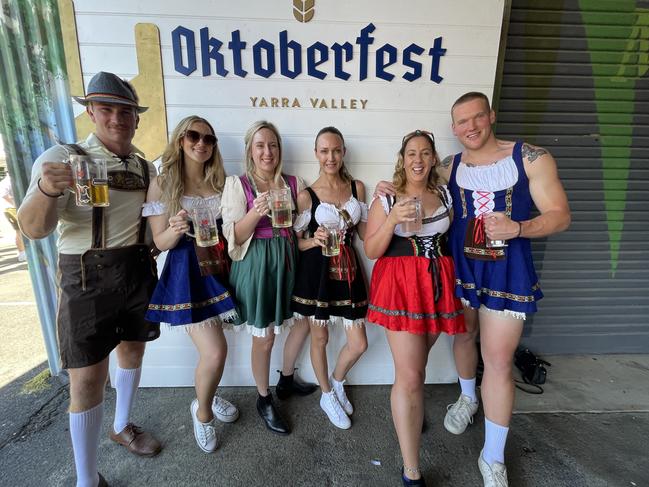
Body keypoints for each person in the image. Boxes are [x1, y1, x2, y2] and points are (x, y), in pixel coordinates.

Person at [17, 72, 162, 487]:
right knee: (86, 377)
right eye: (107, 109)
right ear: (91, 112)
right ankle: (86, 479)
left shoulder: (142, 165)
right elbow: (33, 229)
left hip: (136, 267)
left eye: (126, 111)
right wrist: (46, 188)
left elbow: (152, 226)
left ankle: (122, 425)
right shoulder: (62, 157)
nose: (117, 117)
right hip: (85, 272)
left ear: (136, 118)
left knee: (133, 351)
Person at [438, 92, 571, 486]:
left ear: (491, 116)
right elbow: (412, 186)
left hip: (507, 268)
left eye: (477, 117)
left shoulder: (531, 157)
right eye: (462, 122)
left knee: (497, 359)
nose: (471, 127)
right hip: (462, 267)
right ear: (454, 128)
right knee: (464, 337)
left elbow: (560, 215)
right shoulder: (448, 166)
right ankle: (467, 398)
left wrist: (519, 228)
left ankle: (492, 456)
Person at [364, 130, 466, 486]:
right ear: (402, 159)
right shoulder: (388, 198)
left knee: (417, 369)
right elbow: (372, 250)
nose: (418, 159)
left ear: (434, 158)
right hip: (401, 286)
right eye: (411, 153)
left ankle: (411, 410)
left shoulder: (444, 194)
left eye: (425, 153)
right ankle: (411, 470)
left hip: (437, 285)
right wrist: (392, 221)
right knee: (408, 376)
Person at [142, 116, 240, 453]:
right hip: (187, 272)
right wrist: (175, 227)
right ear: (180, 140)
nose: (201, 143)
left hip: (220, 267)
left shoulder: (222, 181)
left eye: (208, 139)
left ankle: (208, 397)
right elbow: (161, 241)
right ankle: (202, 413)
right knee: (215, 352)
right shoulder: (163, 183)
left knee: (216, 351)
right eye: (193, 136)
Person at [221, 120, 313, 435]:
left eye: (272, 145)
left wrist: (304, 209)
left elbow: (299, 228)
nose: (267, 151)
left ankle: (286, 378)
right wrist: (256, 212)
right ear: (250, 150)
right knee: (265, 337)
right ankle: (263, 397)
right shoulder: (239, 184)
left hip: (288, 260)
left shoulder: (293, 183)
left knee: (302, 321)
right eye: (260, 145)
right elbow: (234, 236)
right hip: (256, 264)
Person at [292, 126, 369, 429]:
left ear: (343, 152)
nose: (331, 156)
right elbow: (295, 243)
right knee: (320, 337)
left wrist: (385, 208)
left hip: (348, 268)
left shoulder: (357, 188)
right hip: (317, 270)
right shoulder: (305, 196)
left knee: (359, 343)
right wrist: (314, 239)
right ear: (316, 154)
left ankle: (337, 382)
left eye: (336, 150)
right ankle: (326, 395)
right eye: (324, 151)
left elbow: (363, 234)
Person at [0, 173, 27, 261]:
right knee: (19, 231)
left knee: (21, 230)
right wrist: (14, 203)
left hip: (12, 208)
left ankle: (23, 252)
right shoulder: (8, 181)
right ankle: (22, 253)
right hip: (10, 209)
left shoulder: (12, 180)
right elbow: (4, 195)